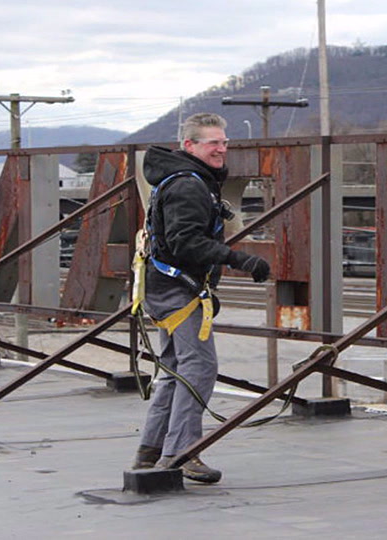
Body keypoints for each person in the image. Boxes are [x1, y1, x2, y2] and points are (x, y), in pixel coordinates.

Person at [131, 113, 270, 483]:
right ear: (190, 145)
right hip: (178, 289)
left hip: (163, 287)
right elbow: (186, 242)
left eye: (224, 142)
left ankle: (151, 450)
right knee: (198, 368)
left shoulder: (179, 178)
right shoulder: (189, 186)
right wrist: (240, 259)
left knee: (175, 369)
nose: (221, 149)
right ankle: (181, 451)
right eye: (213, 143)